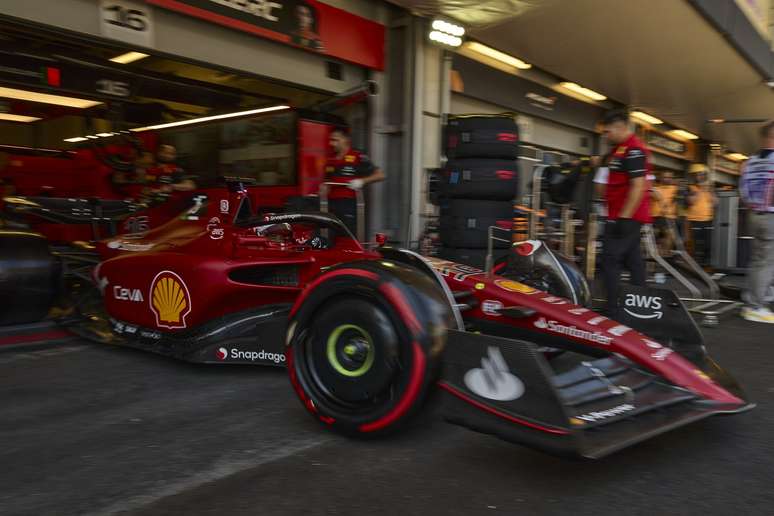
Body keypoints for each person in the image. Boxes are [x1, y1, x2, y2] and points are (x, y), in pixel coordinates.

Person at [598, 110, 651, 316]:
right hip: (620, 215)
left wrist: (625, 217)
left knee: (610, 259)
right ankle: (641, 306)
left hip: (626, 217)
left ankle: (613, 310)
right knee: (633, 261)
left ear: (621, 128)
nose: (605, 136)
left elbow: (638, 186)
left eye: (608, 131)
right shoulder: (620, 150)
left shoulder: (634, 150)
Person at [739, 121, 774, 323]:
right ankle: (756, 306)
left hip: (754, 215)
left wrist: (754, 205)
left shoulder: (750, 161)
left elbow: (743, 190)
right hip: (770, 216)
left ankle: (754, 300)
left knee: (758, 260)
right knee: (767, 262)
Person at [324, 126, 385, 236]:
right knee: (329, 235)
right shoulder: (330, 159)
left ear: (346, 140)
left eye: (335, 140)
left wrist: (362, 181)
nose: (332, 143)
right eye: (331, 140)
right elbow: (327, 181)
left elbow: (380, 175)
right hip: (331, 205)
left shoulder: (357, 156)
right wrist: (323, 188)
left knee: (348, 236)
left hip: (350, 205)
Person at [685, 163, 717, 267]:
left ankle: (706, 264)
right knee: (696, 244)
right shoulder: (691, 188)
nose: (700, 177)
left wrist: (709, 190)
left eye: (702, 174)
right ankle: (695, 265)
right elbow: (690, 202)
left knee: (708, 244)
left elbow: (716, 203)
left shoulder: (710, 188)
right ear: (694, 176)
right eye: (697, 175)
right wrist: (700, 190)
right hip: (695, 220)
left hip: (708, 220)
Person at [650, 170, 679, 255]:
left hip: (669, 217)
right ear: (661, 178)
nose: (667, 179)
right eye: (665, 177)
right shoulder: (656, 188)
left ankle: (665, 255)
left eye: (669, 177)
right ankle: (657, 254)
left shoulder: (675, 189)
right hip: (655, 216)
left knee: (671, 235)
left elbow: (680, 197)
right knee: (655, 235)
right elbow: (653, 195)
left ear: (672, 179)